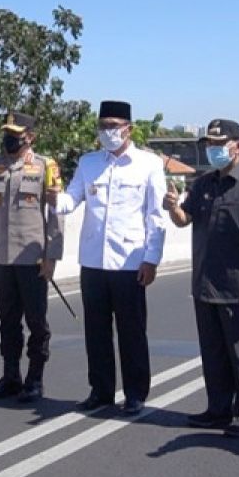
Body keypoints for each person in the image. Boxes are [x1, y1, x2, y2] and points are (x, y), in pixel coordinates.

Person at [47, 100, 167, 416]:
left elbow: (155, 216)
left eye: (113, 125)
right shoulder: (88, 163)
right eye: (103, 126)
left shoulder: (148, 164)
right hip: (93, 259)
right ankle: (100, 390)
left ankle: (135, 393)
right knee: (96, 331)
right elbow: (70, 200)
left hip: (130, 260)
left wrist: (151, 258)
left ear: (129, 128)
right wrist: (51, 197)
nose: (108, 132)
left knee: (131, 331)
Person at [163, 119, 239, 437]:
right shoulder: (203, 184)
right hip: (205, 285)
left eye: (220, 144)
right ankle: (218, 410)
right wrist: (173, 208)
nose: (213, 150)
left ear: (238, 146)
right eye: (210, 145)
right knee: (213, 354)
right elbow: (185, 219)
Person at [0, 111, 64, 402]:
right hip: (3, 257)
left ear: (29, 137)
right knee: (7, 321)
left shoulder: (45, 166)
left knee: (36, 322)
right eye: (7, 132)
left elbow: (56, 214)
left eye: (16, 134)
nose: (9, 138)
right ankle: (10, 376)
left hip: (32, 257)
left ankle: (35, 379)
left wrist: (51, 255)